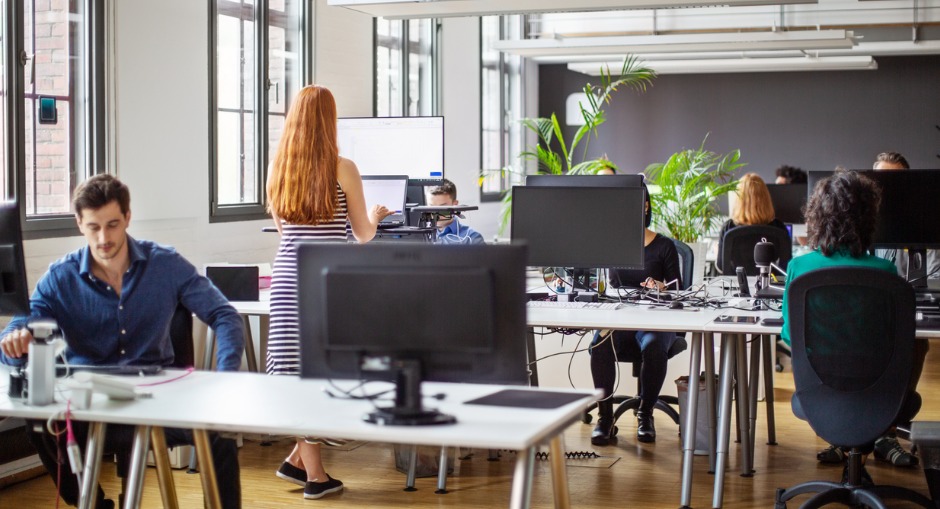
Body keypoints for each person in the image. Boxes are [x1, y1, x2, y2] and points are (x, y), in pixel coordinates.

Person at [0, 174, 244, 509]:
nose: (103, 238)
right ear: (79, 224)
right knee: (41, 421)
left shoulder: (165, 264)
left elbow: (224, 315)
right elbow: (13, 335)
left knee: (220, 433)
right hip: (90, 405)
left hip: (157, 399)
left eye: (113, 225)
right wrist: (17, 344)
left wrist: (225, 377)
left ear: (128, 217)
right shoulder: (60, 277)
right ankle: (92, 504)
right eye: (93, 227)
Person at [265, 84, 391, 500]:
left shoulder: (278, 169)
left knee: (291, 371)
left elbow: (286, 235)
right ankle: (316, 479)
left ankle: (297, 460)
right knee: (319, 373)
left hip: (286, 279)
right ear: (329, 121)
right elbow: (362, 234)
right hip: (324, 281)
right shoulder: (342, 168)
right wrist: (374, 217)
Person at [783, 170, 928, 478]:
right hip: (879, 399)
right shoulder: (885, 272)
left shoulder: (799, 269)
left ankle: (849, 450)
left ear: (816, 217)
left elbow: (789, 335)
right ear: (868, 219)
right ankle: (868, 445)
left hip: (819, 397)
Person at [590, 184, 681, 445]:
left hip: (654, 319)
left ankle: (645, 412)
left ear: (645, 206)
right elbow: (607, 286)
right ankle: (605, 418)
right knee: (599, 344)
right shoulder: (612, 243)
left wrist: (661, 287)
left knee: (653, 346)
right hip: (621, 318)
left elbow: (679, 290)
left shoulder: (664, 246)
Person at [717, 173, 789, 272]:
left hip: (737, 285)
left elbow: (721, 265)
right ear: (766, 198)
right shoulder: (778, 227)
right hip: (769, 285)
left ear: (739, 199)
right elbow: (786, 265)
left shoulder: (728, 227)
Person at [427, 178, 485, 245]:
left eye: (442, 207)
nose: (436, 213)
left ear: (455, 205)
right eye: (431, 206)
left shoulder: (472, 238)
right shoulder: (418, 235)